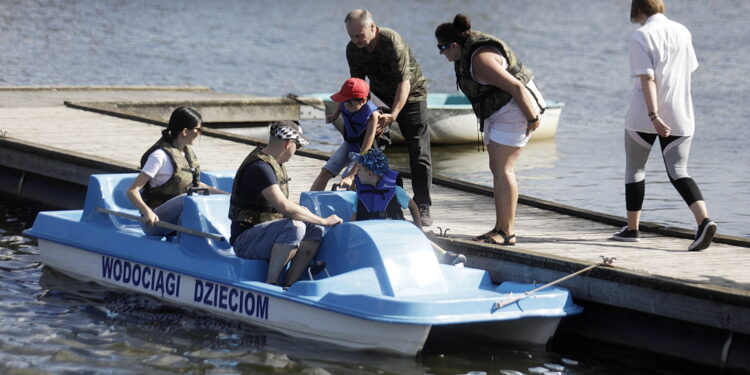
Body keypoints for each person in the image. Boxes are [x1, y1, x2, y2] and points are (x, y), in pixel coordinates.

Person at [612, 0, 717, 251]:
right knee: (679, 171)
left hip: (644, 116)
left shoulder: (641, 35)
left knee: (635, 169)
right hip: (681, 114)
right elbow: (688, 69)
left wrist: (653, 115)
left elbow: (648, 78)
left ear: (638, 11)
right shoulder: (683, 31)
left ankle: (633, 230)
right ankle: (704, 221)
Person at [434, 14, 546, 246]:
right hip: (502, 110)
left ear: (454, 45)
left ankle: (508, 232)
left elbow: (516, 86)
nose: (442, 54)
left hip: (516, 109)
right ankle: (500, 226)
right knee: (497, 169)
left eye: (442, 48)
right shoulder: (466, 53)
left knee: (504, 169)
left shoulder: (480, 61)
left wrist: (532, 116)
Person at [343, 9, 433, 226]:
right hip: (381, 96)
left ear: (372, 27)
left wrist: (393, 114)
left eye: (360, 35)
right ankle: (370, 193)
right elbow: (359, 87)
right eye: (352, 36)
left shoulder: (391, 41)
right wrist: (365, 113)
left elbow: (405, 83)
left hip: (411, 96)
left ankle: (422, 204)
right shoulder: (353, 49)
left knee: (418, 150)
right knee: (371, 144)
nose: (356, 40)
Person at [229, 121, 343, 287]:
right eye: (298, 146)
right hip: (245, 241)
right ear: (289, 144)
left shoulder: (275, 164)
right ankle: (272, 283)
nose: (296, 151)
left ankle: (290, 283)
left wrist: (313, 219)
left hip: (267, 234)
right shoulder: (260, 167)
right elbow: (284, 207)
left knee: (314, 228)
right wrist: (324, 220)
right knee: (295, 226)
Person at [350, 148, 466, 266]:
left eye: (359, 170)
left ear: (370, 173)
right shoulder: (359, 195)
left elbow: (413, 207)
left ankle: (445, 255)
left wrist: (419, 229)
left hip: (394, 233)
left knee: (416, 236)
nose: (356, 173)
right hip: (371, 235)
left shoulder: (395, 190)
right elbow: (353, 221)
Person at [127, 106, 226, 236]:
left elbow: (196, 186)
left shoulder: (187, 153)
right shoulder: (159, 156)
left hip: (178, 218)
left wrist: (226, 196)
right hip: (156, 222)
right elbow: (132, 191)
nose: (200, 133)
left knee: (197, 200)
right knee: (189, 199)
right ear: (185, 131)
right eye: (198, 129)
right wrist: (147, 212)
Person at [309, 77, 386, 191]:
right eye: (344, 101)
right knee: (326, 171)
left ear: (363, 101)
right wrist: (334, 116)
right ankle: (309, 203)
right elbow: (341, 106)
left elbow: (365, 150)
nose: (346, 106)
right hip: (349, 143)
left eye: (351, 104)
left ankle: (353, 207)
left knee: (350, 179)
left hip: (364, 149)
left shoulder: (372, 116)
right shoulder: (346, 102)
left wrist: (351, 175)